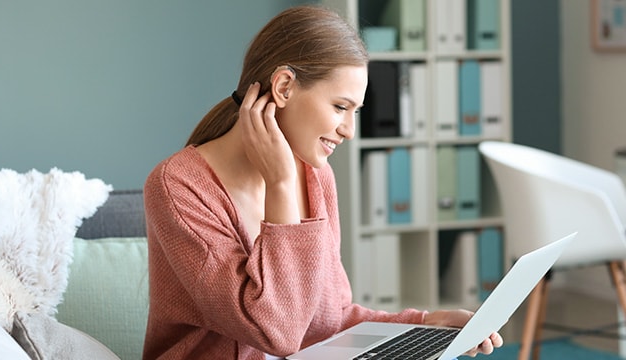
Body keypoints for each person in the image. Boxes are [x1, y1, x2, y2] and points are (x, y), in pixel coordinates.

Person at [142, 5, 503, 360]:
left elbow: (325, 321)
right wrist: (280, 184)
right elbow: (277, 333)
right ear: (283, 87)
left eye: (355, 112)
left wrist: (425, 323)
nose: (349, 130)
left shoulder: (316, 177)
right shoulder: (178, 187)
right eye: (340, 107)